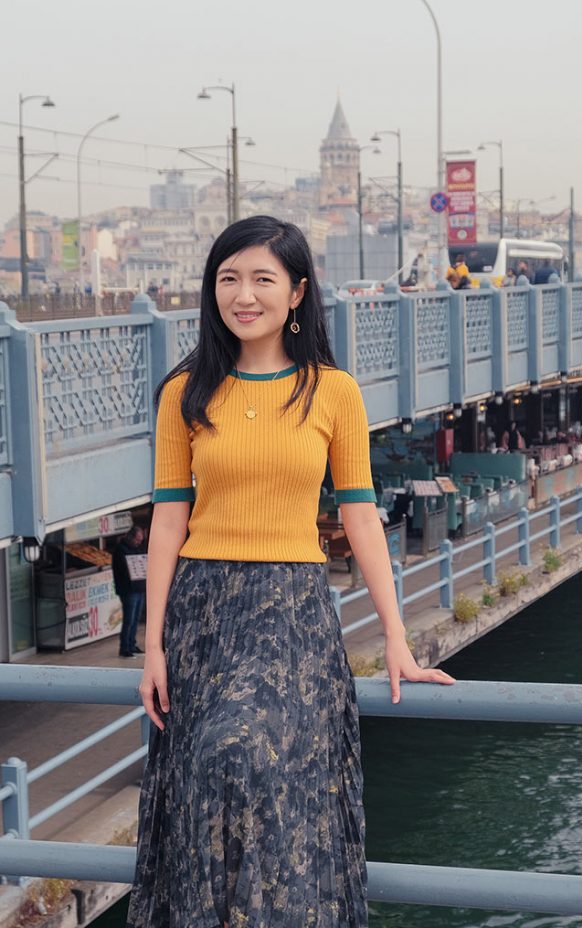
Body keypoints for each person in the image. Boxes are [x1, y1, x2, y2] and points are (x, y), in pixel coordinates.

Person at [127, 215, 457, 928]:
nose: (243, 295)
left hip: (293, 612)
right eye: (227, 279)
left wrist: (396, 640)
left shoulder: (331, 391)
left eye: (261, 280)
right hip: (202, 613)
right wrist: (151, 647)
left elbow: (363, 516)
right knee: (209, 779)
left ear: (298, 292)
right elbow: (168, 522)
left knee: (258, 768)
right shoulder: (183, 392)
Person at [111, 526, 147, 658]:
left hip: (138, 588)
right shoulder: (121, 550)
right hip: (128, 589)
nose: (138, 542)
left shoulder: (137, 549)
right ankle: (125, 646)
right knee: (129, 619)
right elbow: (124, 569)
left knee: (136, 618)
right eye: (137, 540)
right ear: (131, 537)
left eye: (140, 540)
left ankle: (132, 644)